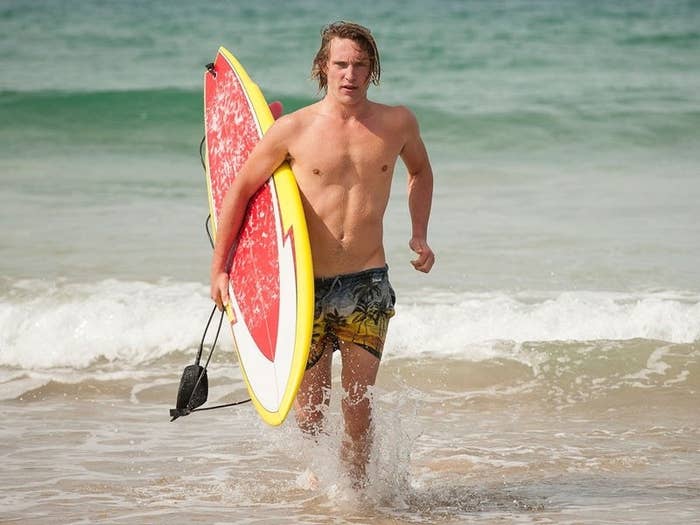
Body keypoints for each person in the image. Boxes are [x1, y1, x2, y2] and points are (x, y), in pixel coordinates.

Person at [210, 21, 435, 485]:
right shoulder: (293, 130)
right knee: (310, 416)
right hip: (304, 290)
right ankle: (321, 488)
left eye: (359, 64)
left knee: (358, 411)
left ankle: (354, 499)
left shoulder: (397, 122)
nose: (350, 74)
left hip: (366, 283)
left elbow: (421, 173)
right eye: (340, 64)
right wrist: (222, 268)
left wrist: (419, 233)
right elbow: (240, 191)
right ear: (323, 68)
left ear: (372, 70)